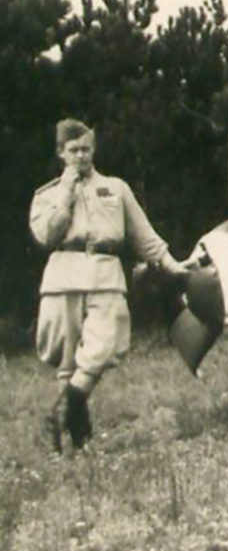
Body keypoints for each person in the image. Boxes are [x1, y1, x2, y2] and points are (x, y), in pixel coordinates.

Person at [29, 119, 189, 453]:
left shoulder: (116, 188)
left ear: (94, 149)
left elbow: (144, 236)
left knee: (104, 345)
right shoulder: (46, 196)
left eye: (86, 149)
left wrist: (173, 265)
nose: (81, 157)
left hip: (106, 275)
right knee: (68, 360)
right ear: (60, 153)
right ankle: (76, 441)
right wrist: (67, 193)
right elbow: (47, 235)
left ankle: (63, 408)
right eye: (73, 150)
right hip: (63, 276)